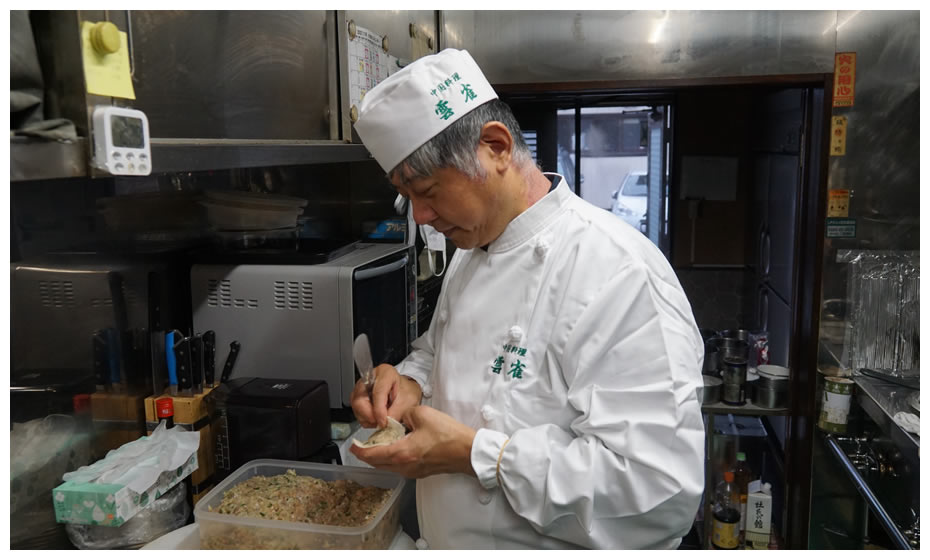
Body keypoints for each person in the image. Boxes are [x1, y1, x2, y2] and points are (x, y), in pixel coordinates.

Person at [350, 48, 705, 549]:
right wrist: (409, 381)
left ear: (496, 147)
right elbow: (443, 350)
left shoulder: (619, 273)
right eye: (406, 197)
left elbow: (656, 494)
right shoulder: (472, 250)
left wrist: (480, 455)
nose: (421, 216)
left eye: (427, 190)